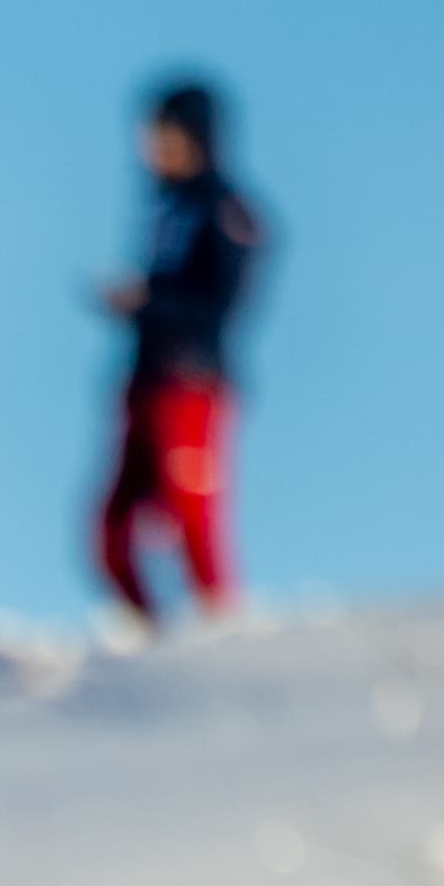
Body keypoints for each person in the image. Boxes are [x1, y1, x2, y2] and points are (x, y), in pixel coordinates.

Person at [92, 73, 270, 635]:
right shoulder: (165, 211)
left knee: (190, 510)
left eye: (164, 136)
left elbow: (224, 305)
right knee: (111, 527)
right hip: (143, 380)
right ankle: (154, 638)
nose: (151, 149)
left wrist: (150, 303)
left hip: (193, 384)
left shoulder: (228, 212)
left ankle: (219, 633)